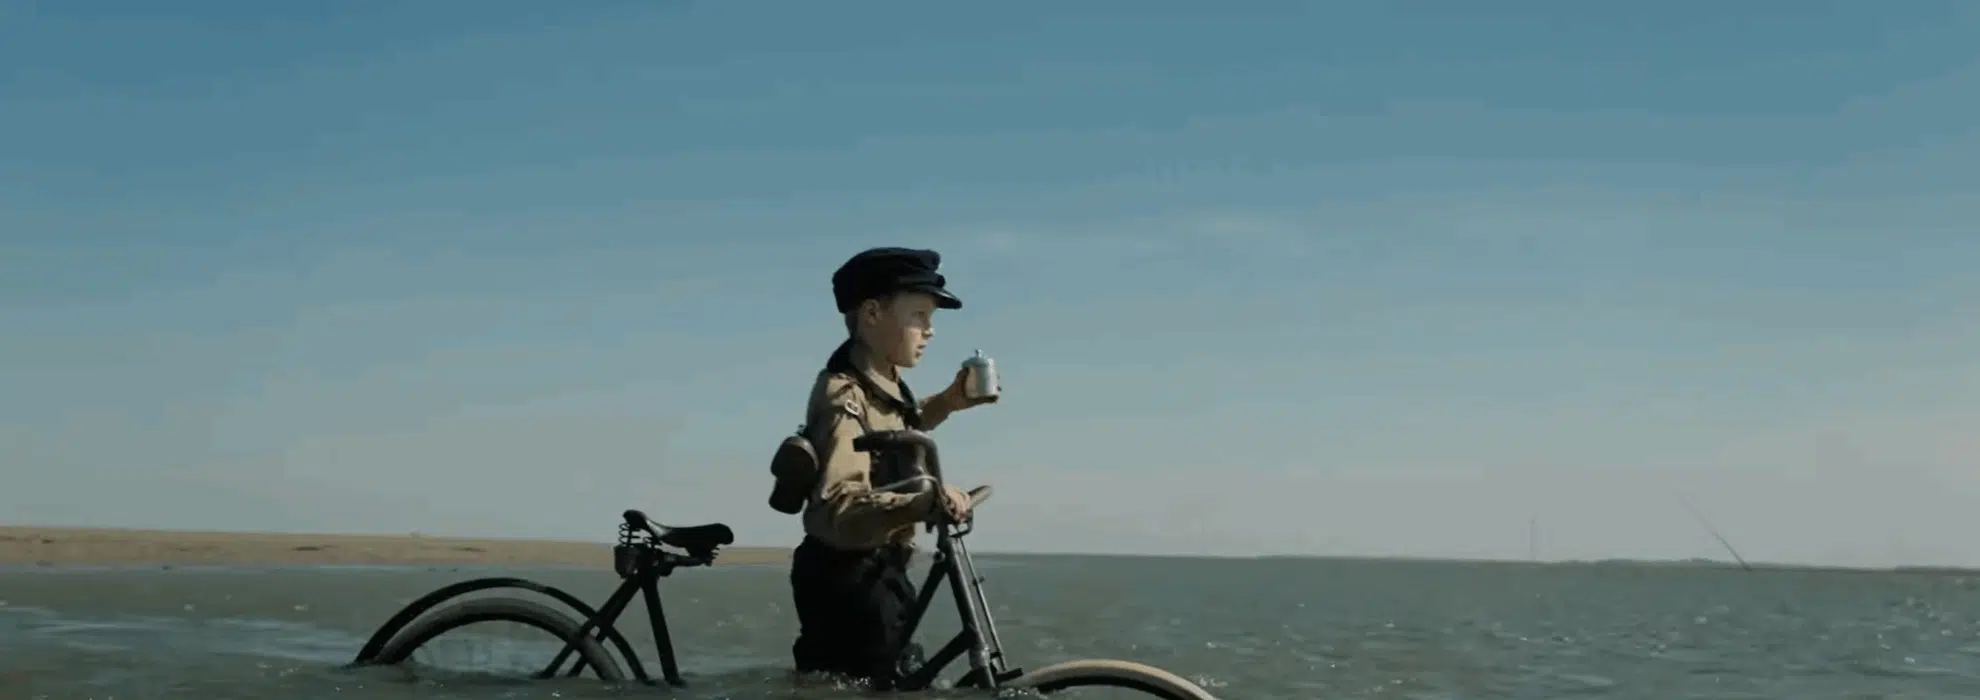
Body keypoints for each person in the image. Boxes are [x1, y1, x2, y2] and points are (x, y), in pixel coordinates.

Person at [785, 246, 998, 688]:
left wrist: (949, 401)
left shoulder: (881, 383)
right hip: (848, 580)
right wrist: (924, 502)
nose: (930, 330)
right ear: (872, 315)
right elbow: (838, 508)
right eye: (919, 316)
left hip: (879, 571)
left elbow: (896, 429)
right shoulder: (842, 396)